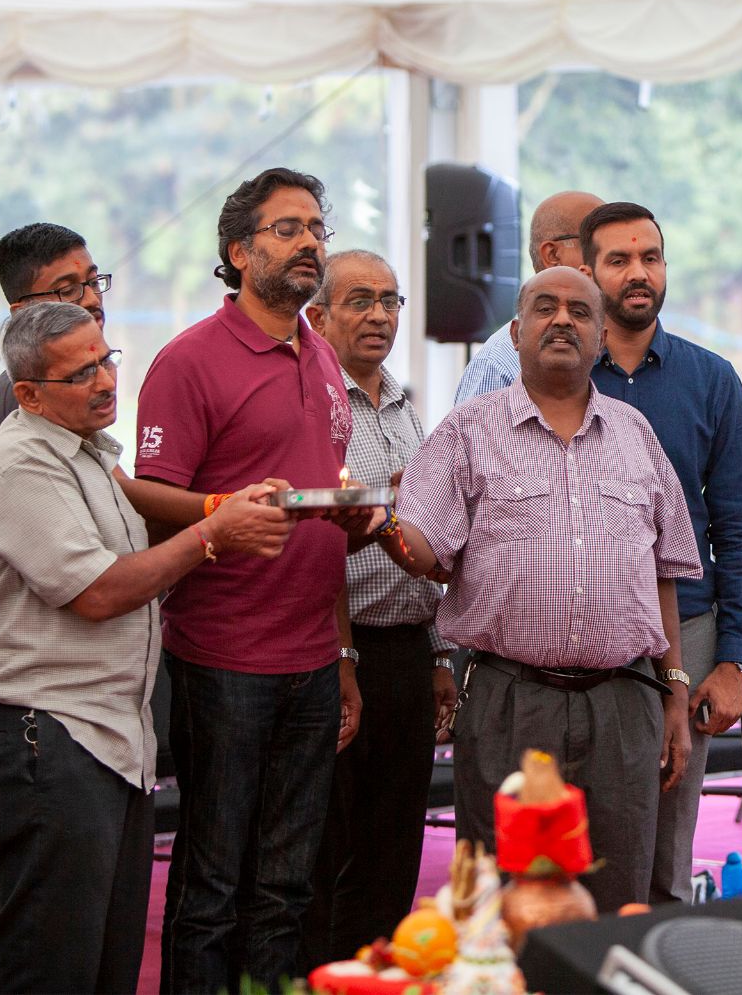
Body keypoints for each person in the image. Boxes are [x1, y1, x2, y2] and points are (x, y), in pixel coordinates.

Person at [0, 301, 291, 993]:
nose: (108, 380)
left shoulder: (84, 452)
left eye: (106, 358)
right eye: (83, 372)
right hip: (45, 732)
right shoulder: (20, 463)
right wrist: (213, 536)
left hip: (105, 735)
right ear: (28, 394)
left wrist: (225, 503)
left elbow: (139, 500)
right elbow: (99, 592)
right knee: (47, 962)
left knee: (104, 962)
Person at [383, 266, 702, 912]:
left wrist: (675, 687)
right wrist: (381, 528)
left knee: (614, 902)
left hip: (624, 704)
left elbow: (663, 571)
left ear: (604, 337)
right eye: (545, 307)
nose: (563, 320)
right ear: (516, 331)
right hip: (509, 701)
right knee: (503, 908)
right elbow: (423, 548)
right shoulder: (466, 432)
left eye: (581, 311)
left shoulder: (637, 437)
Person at [134, 167, 364, 993]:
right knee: (214, 888)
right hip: (225, 658)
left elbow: (315, 503)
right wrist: (223, 508)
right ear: (238, 251)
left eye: (316, 227)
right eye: (287, 228)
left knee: (287, 888)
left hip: (310, 656)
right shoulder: (190, 359)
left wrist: (344, 650)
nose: (310, 242)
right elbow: (149, 498)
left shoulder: (322, 356)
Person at [575, 201, 742, 904]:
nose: (638, 273)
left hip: (684, 627)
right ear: (588, 271)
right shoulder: (556, 376)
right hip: (574, 639)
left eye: (650, 257)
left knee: (666, 848)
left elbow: (738, 529)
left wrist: (734, 660)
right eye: (619, 259)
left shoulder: (711, 380)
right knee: (575, 845)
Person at [300, 250, 456, 966]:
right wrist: (343, 658)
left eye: (390, 301)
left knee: (397, 842)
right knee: (332, 848)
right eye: (360, 300)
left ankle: (381, 976)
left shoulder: (403, 403)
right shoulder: (312, 400)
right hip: (338, 646)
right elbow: (323, 537)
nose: (380, 315)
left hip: (406, 646)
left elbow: (426, 532)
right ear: (318, 315)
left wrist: (438, 654)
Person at [454, 190, 603, 403]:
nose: (609, 256)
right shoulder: (500, 365)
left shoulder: (601, 344)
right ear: (552, 255)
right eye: (597, 243)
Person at [0, 222, 113, 443]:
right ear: (23, 312)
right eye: (67, 291)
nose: (92, 299)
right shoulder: (34, 389)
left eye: (94, 282)